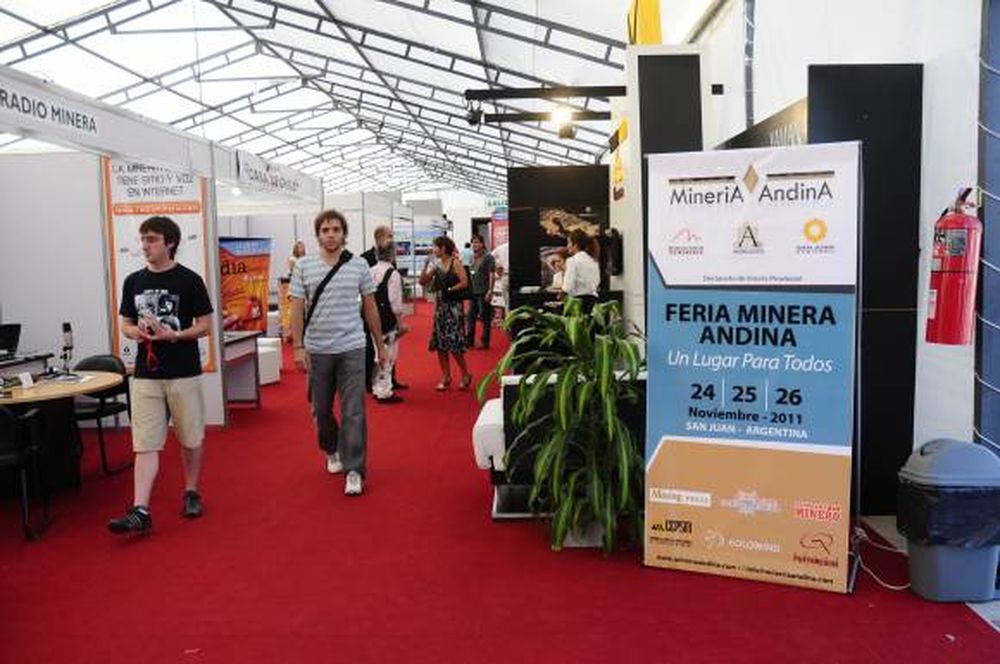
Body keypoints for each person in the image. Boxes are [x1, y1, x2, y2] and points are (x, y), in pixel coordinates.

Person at [108, 216, 214, 535]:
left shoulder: (190, 280)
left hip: (183, 371)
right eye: (143, 239)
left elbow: (205, 325)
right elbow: (125, 323)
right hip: (145, 373)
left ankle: (191, 491)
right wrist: (134, 332)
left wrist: (176, 336)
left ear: (170, 242)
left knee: (190, 437)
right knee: (145, 443)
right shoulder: (133, 281)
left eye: (152, 239)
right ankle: (140, 509)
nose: (145, 245)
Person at [290, 209, 388, 496]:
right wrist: (297, 346)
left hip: (352, 347)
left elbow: (370, 306)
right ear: (318, 234)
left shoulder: (358, 265)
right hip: (318, 350)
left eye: (336, 229)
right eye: (325, 230)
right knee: (320, 410)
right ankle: (331, 448)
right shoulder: (303, 266)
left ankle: (355, 468)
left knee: (354, 411)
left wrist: (380, 345)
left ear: (344, 233)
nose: (331, 234)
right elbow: (297, 307)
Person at [420, 236, 473, 390]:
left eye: (435, 246)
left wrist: (449, 290)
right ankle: (446, 376)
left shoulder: (455, 263)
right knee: (440, 344)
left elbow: (464, 283)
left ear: (443, 248)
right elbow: (423, 281)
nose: (433, 249)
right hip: (440, 309)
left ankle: (465, 374)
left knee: (454, 344)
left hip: (453, 308)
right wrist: (425, 266)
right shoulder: (436, 265)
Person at [361, 224, 408, 392]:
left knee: (387, 346)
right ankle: (371, 382)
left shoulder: (388, 262)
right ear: (379, 237)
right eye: (389, 235)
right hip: (372, 313)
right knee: (371, 348)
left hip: (383, 313)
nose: (392, 238)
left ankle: (388, 381)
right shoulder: (365, 259)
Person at [370, 242, 408, 404]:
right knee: (389, 355)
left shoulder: (370, 271)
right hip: (388, 320)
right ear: (392, 255)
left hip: (373, 318)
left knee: (377, 353)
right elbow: (395, 302)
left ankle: (376, 387)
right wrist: (401, 322)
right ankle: (384, 391)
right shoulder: (393, 274)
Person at [465, 234, 495, 349]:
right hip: (473, 291)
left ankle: (485, 342)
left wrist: (490, 291)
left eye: (477, 242)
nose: (474, 245)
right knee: (470, 317)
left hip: (484, 291)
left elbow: (491, 275)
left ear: (482, 244)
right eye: (473, 242)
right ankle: (469, 341)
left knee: (485, 317)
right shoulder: (472, 257)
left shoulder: (488, 257)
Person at [561, 228, 600, 311]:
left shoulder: (572, 261)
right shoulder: (593, 260)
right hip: (593, 302)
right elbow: (597, 281)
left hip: (577, 303)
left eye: (568, 243)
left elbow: (567, 287)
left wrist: (561, 293)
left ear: (575, 245)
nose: (567, 246)